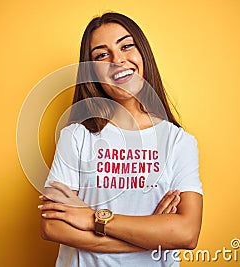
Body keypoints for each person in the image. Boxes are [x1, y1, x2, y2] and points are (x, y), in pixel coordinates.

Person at [38, 12, 203, 267]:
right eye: (102, 55)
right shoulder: (77, 136)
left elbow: (186, 233)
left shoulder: (178, 141)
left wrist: (95, 218)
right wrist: (151, 234)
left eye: (126, 46)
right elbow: (52, 226)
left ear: (143, 53)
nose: (118, 60)